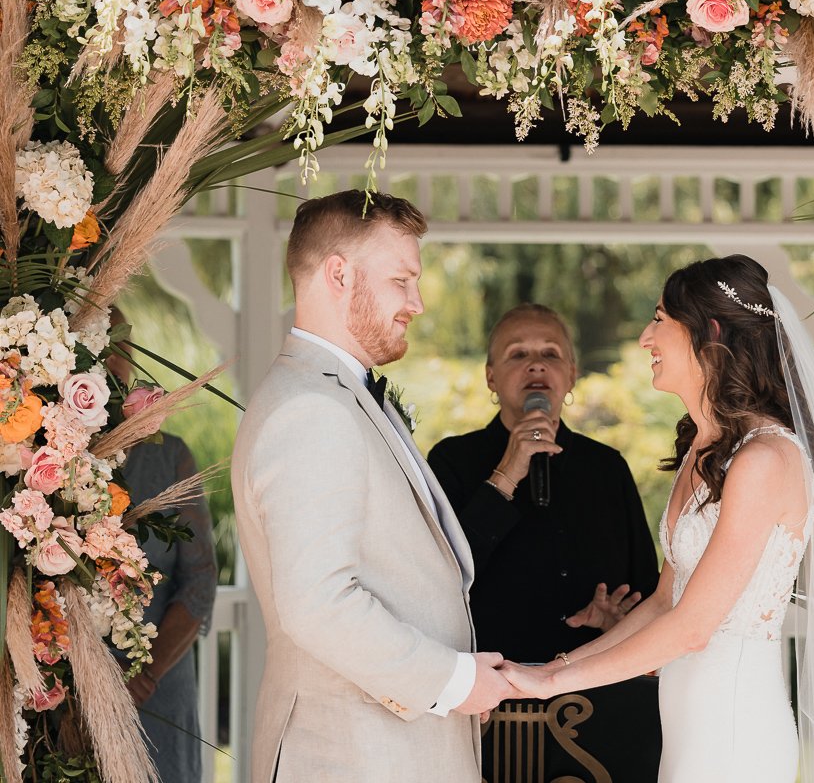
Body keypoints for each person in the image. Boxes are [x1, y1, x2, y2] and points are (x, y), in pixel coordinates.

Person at [499, 255, 814, 782]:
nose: (646, 337)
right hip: (687, 733)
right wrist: (553, 669)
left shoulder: (764, 460)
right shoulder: (702, 449)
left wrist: (553, 686)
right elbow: (665, 602)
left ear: (708, 332)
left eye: (660, 318)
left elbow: (691, 630)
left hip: (735, 736)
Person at [231, 190, 512, 783]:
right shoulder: (310, 410)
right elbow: (318, 603)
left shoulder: (337, 394)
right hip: (349, 755)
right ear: (339, 274)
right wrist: (452, 682)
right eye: (401, 280)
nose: (418, 302)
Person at [427, 303, 659, 663]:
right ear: (491, 377)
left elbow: (645, 591)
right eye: (517, 353)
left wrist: (620, 622)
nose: (536, 364)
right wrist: (505, 473)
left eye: (550, 353)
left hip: (591, 690)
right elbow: (435, 578)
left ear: (571, 375)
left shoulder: (607, 468)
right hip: (488, 689)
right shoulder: (451, 460)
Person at [107, 320, 217, 783]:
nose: (113, 364)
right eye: (100, 349)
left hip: (159, 690)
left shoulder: (170, 456)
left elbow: (200, 578)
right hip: (62, 695)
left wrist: (145, 674)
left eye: (121, 349)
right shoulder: (36, 457)